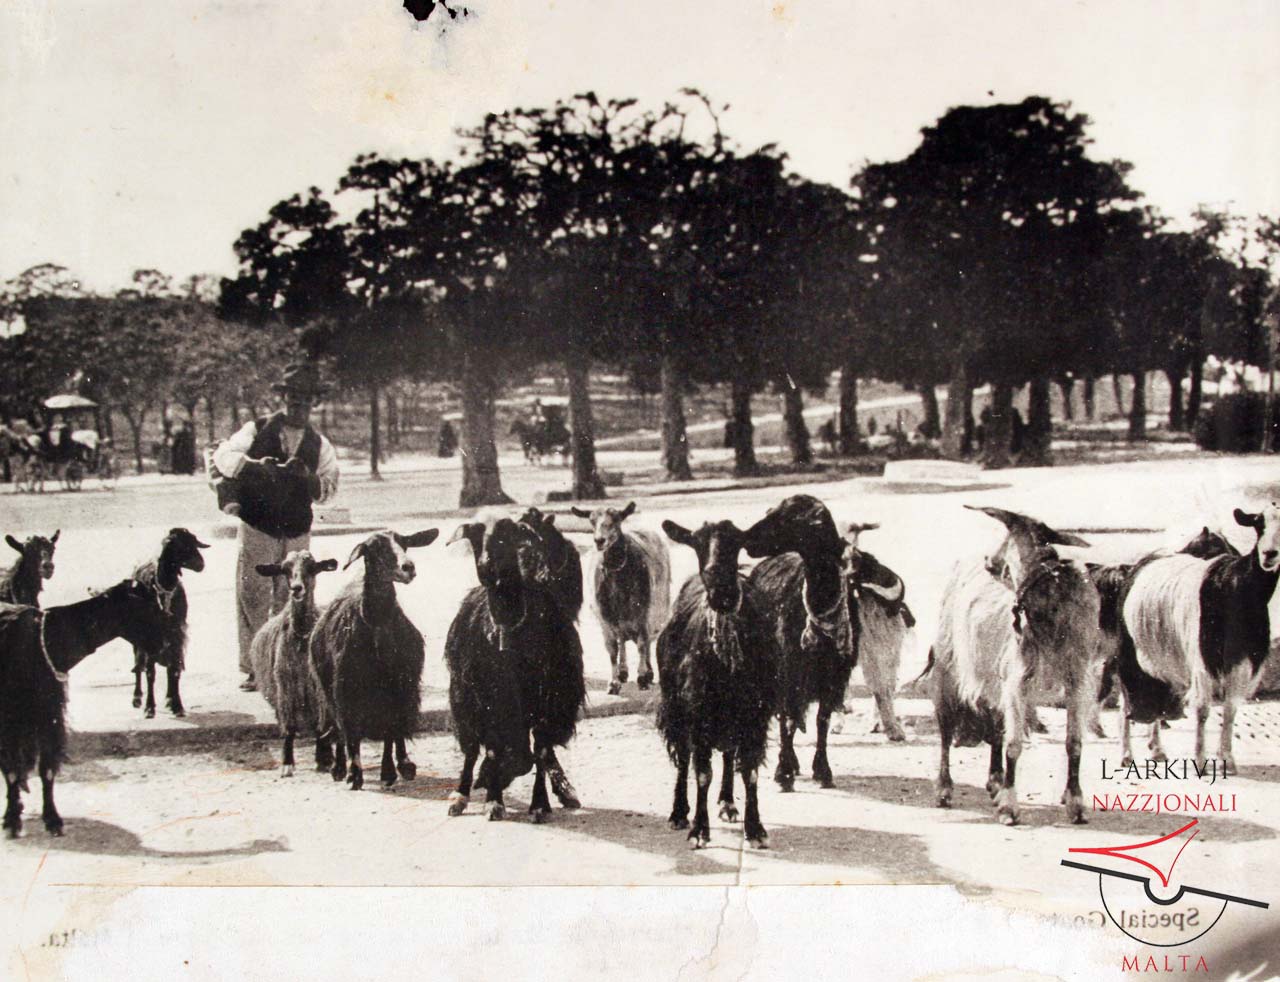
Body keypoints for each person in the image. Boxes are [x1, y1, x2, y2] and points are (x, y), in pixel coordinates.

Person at [213, 362, 340, 691]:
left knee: (293, 594)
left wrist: (308, 478)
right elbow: (223, 457)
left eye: (305, 399)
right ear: (283, 398)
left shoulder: (319, 444)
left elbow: (329, 488)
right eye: (293, 397)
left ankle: (287, 663)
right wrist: (254, 467)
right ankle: (256, 667)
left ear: (313, 402)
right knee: (253, 595)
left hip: (296, 529)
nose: (298, 404)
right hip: (259, 523)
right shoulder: (256, 429)